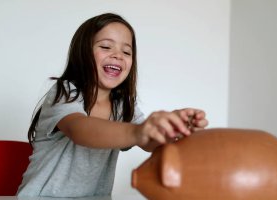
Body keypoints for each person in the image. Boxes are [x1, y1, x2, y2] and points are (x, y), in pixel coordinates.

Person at [17, 13, 208, 197]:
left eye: (126, 51)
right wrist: (139, 131)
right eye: (106, 47)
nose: (118, 55)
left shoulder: (122, 107)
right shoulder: (65, 91)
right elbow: (79, 130)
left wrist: (171, 130)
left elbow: (149, 142)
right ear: (83, 52)